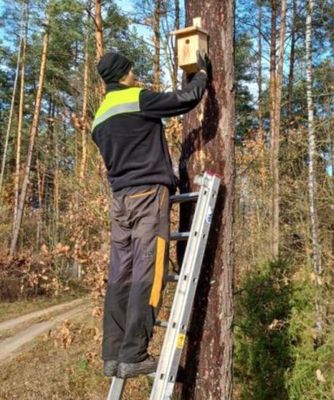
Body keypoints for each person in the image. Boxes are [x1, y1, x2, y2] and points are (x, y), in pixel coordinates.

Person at [91, 50, 210, 378]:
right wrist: (202, 74)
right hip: (147, 197)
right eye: (132, 70)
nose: (135, 73)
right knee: (150, 271)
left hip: (120, 202)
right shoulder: (136, 99)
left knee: (120, 276)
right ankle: (135, 355)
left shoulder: (99, 115)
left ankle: (113, 355)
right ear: (123, 74)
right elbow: (184, 100)